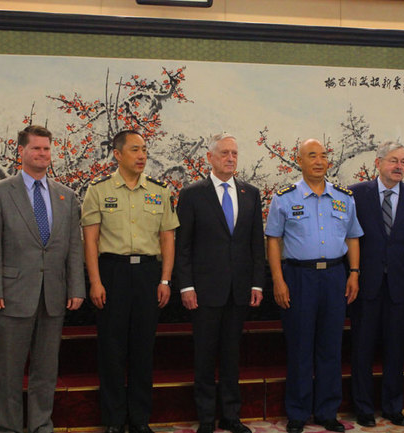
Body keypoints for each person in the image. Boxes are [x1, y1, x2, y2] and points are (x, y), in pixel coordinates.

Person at [0, 125, 85, 433]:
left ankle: (41, 424)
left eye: (47, 149)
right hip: (11, 295)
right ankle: (8, 427)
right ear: (21, 152)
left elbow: (73, 248)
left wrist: (76, 287)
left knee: (45, 369)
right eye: (36, 148)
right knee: (10, 371)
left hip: (53, 295)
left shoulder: (67, 196)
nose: (42, 154)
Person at [81, 130, 178, 433]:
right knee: (111, 349)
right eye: (135, 150)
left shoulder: (159, 190)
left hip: (149, 274)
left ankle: (139, 420)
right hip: (113, 273)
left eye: (145, 150)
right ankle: (112, 420)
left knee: (143, 349)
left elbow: (167, 239)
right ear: (117, 154)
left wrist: (165, 279)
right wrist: (95, 282)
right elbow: (91, 241)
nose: (141, 156)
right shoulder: (98, 189)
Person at [265, 138, 363, 433]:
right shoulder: (284, 197)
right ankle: (297, 411)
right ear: (300, 161)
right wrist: (278, 280)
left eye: (323, 156)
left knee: (330, 347)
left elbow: (353, 236)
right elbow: (273, 240)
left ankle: (327, 411)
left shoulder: (343, 197)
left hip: (335, 276)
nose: (319, 161)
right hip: (298, 277)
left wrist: (354, 272)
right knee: (299, 346)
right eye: (312, 156)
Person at [175, 133, 265, 433]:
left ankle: (230, 415)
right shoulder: (192, 194)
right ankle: (205, 419)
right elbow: (183, 245)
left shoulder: (250, 193)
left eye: (235, 154)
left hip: (239, 290)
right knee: (204, 356)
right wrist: (185, 286)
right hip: (203, 291)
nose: (230, 158)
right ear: (209, 158)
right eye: (224, 153)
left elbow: (255, 244)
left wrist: (257, 283)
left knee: (231, 356)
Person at [349, 141, 404, 427]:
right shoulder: (355, 194)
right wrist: (352, 274)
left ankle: (393, 406)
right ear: (378, 162)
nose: (399, 167)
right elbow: (350, 240)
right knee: (362, 348)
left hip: (401, 286)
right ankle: (363, 407)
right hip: (365, 285)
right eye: (393, 161)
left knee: (396, 349)